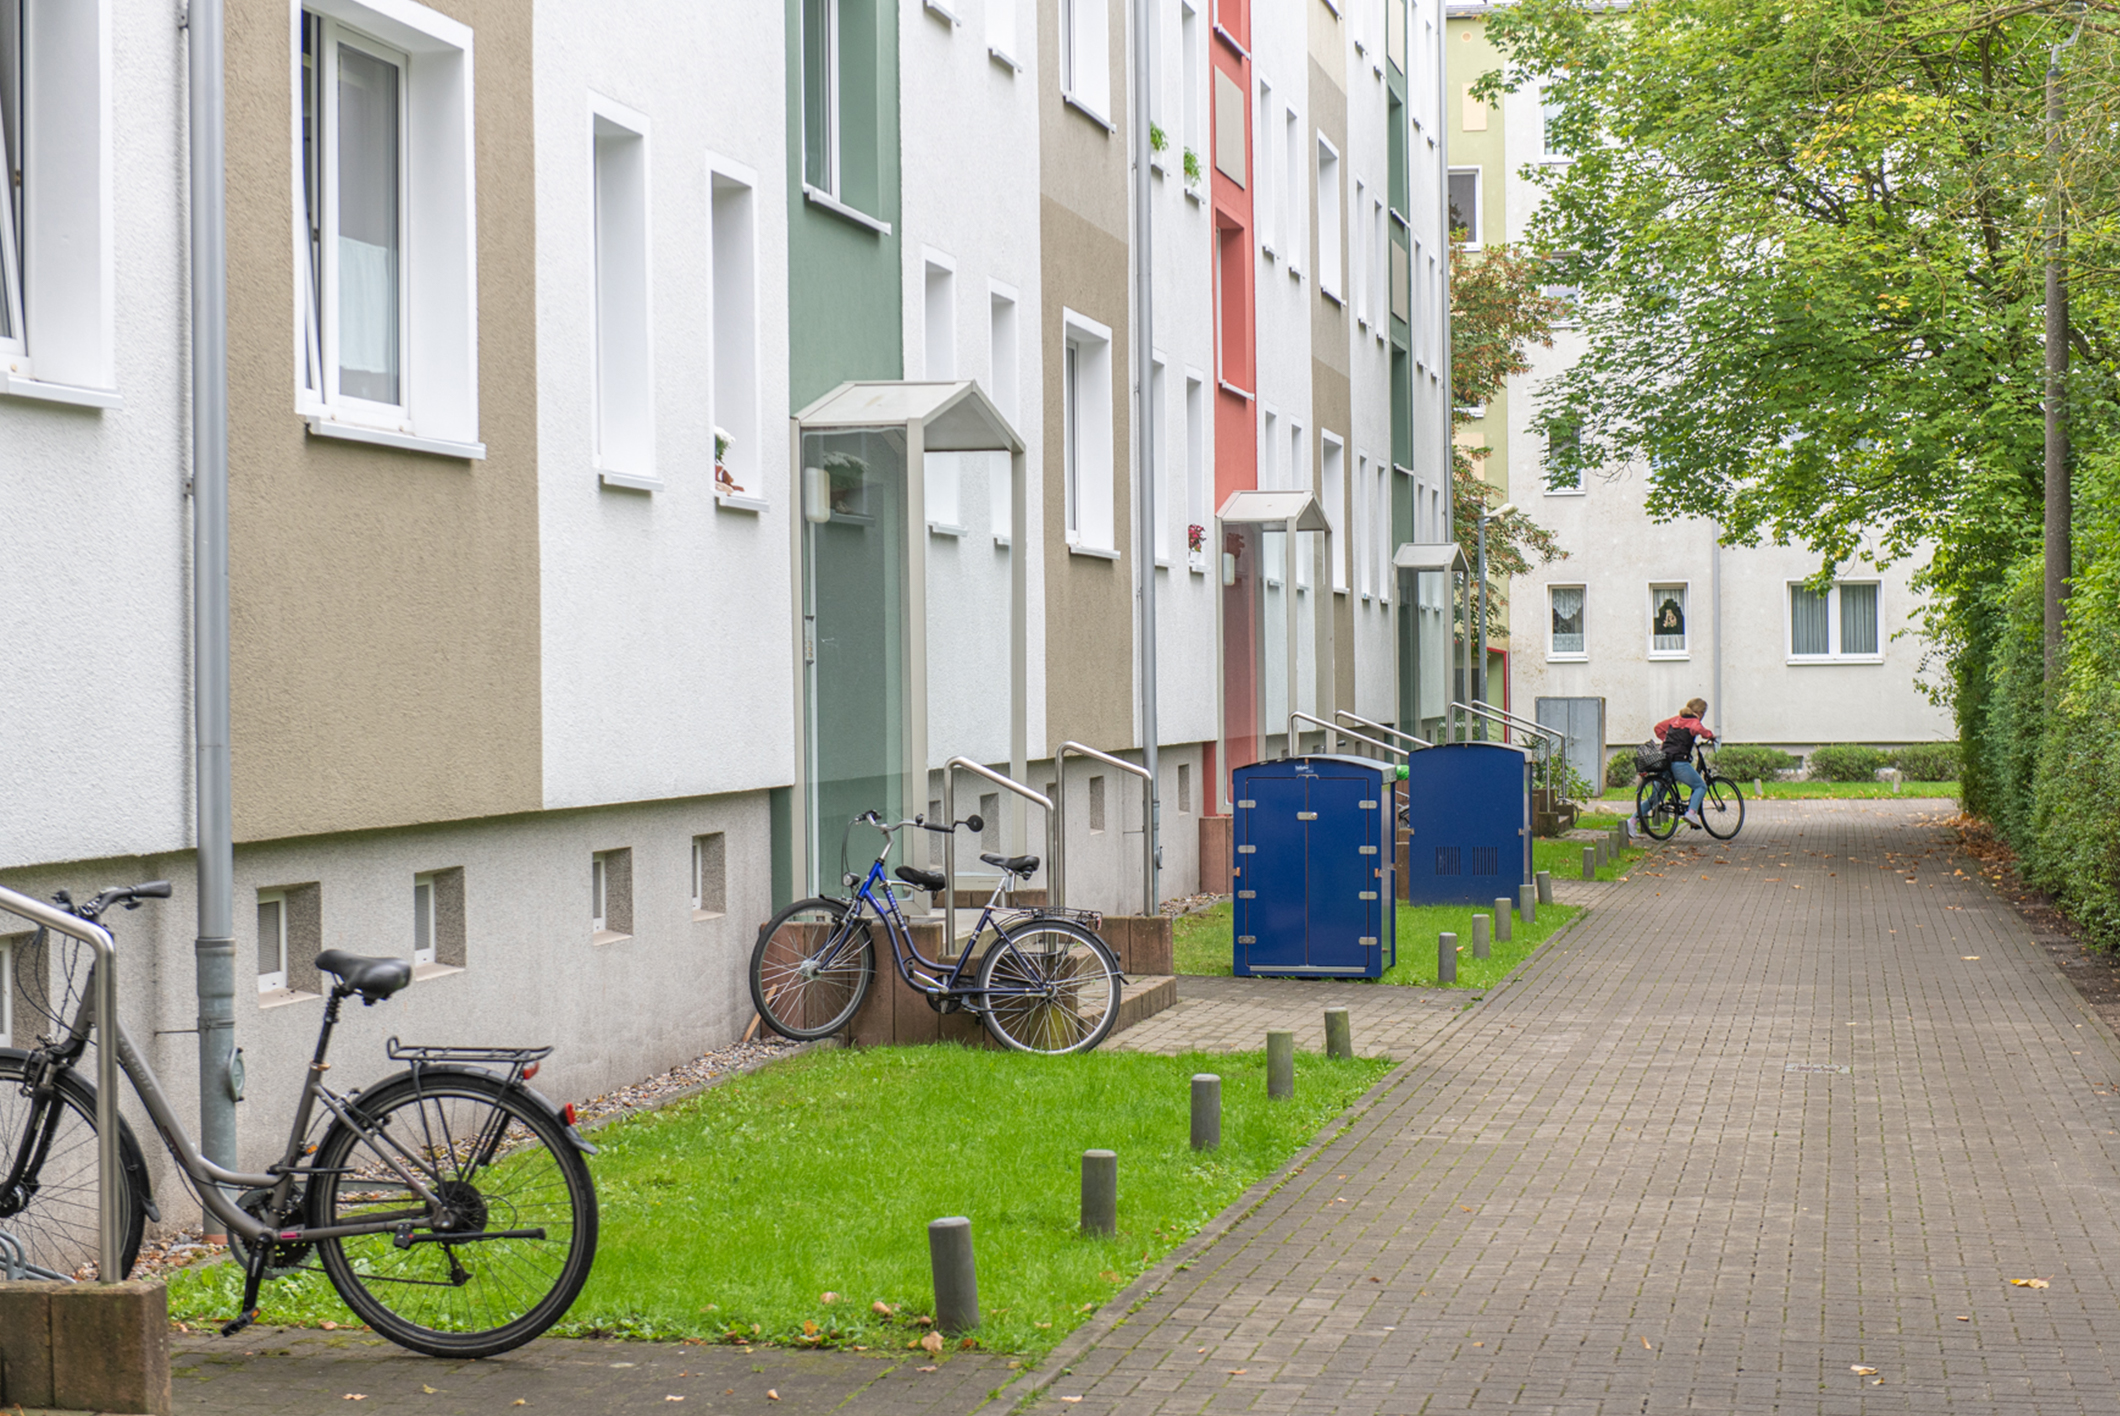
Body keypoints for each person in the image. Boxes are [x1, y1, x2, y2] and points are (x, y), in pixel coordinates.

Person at [1653, 697, 1717, 828]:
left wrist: (1669, 740)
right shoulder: (1694, 721)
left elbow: (1658, 728)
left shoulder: (1675, 720)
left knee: (1654, 799)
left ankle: (1632, 822)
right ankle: (1691, 813)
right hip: (1679, 762)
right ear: (1700, 713)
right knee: (1701, 786)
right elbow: (1702, 731)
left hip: (1665, 760)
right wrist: (1711, 735)